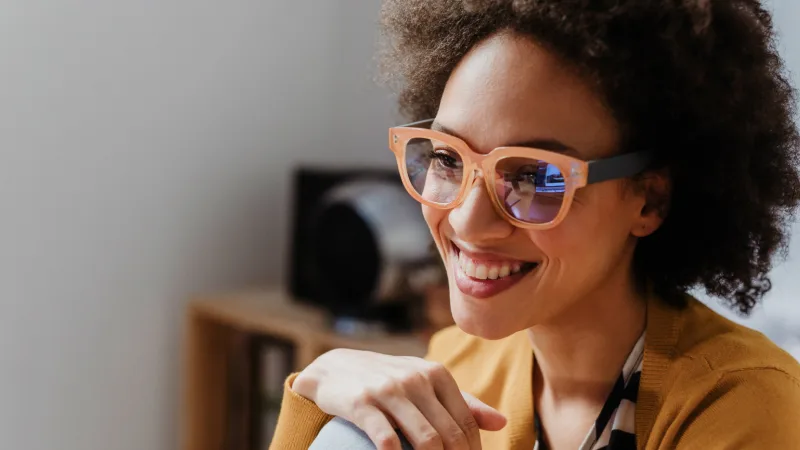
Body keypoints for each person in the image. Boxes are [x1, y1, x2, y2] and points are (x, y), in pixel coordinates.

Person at [270, 0, 800, 449]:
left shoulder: (743, 406)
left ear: (649, 200)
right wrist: (313, 398)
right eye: (448, 159)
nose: (468, 219)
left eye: (534, 177)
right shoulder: (460, 363)